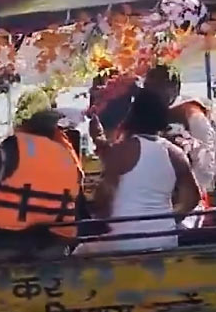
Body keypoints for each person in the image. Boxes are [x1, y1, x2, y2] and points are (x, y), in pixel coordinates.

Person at [0, 90, 83, 264]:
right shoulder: (66, 155)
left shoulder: (14, 146)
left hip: (8, 246)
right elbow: (78, 208)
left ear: (23, 123)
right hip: (53, 250)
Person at [79, 88, 200, 254]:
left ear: (133, 116)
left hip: (126, 241)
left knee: (80, 250)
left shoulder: (121, 150)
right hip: (166, 239)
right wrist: (169, 218)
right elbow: (192, 199)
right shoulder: (176, 154)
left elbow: (104, 198)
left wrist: (102, 218)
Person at [145, 64, 216, 193]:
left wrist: (188, 192)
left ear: (175, 88)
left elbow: (205, 166)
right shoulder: (149, 113)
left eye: (158, 87)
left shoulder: (193, 115)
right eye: (148, 87)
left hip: (186, 195)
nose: (151, 93)